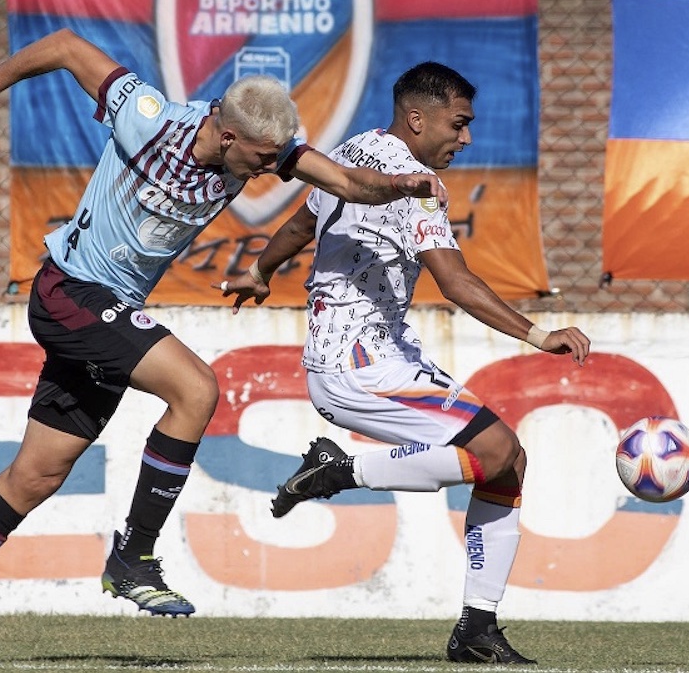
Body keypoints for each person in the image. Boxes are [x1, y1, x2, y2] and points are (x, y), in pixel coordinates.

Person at [0, 29, 447, 665]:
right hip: (71, 293)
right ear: (228, 136)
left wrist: (408, 186)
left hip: (106, 318)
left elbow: (345, 181)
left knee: (36, 474)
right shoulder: (147, 117)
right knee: (196, 388)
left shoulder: (261, 148)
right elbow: (63, 45)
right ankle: (134, 555)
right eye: (260, 159)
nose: (267, 171)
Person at [219, 62, 590, 665]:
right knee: (495, 451)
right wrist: (538, 334)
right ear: (417, 119)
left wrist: (260, 271)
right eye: (459, 123)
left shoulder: (351, 154)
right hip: (360, 366)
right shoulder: (411, 181)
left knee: (507, 463)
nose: (465, 138)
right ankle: (340, 471)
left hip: (377, 358)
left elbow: (301, 223)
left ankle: (476, 628)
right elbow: (455, 281)